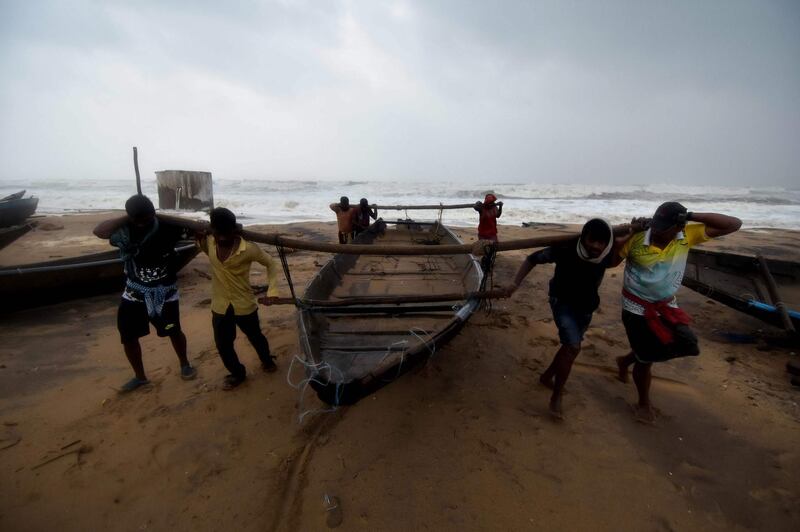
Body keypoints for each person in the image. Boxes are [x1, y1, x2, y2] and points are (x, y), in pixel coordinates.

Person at [615, 202, 741, 423]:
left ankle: (627, 360)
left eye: (665, 226)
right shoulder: (638, 237)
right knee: (646, 360)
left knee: (688, 344)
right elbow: (611, 262)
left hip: (666, 305)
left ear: (679, 227)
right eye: (656, 224)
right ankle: (643, 402)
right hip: (635, 306)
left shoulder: (688, 235)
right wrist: (628, 234)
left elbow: (733, 224)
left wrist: (690, 215)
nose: (657, 230)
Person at [506, 218, 628, 419]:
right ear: (583, 238)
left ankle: (546, 377)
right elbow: (532, 259)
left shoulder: (606, 253)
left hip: (587, 306)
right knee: (573, 346)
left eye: (601, 243)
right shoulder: (565, 248)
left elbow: (615, 260)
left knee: (570, 348)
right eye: (592, 241)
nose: (596, 247)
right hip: (561, 302)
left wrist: (629, 235)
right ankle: (556, 397)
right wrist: (515, 283)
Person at [93, 195, 197, 393]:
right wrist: (128, 218)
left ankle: (185, 364)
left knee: (173, 330)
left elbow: (200, 230)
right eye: (137, 219)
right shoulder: (124, 231)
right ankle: (140, 377)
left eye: (146, 218)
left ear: (153, 213)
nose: (141, 223)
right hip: (134, 292)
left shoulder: (168, 228)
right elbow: (99, 231)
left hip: (165, 292)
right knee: (128, 336)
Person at [198, 208, 281, 390]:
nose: (222, 239)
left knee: (256, 337)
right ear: (214, 231)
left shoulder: (249, 249)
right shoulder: (210, 242)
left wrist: (272, 291)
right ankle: (237, 373)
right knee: (223, 344)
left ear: (235, 230)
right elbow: (204, 248)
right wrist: (200, 236)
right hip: (220, 306)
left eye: (226, 234)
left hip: (244, 304)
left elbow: (271, 263)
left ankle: (267, 360)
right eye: (218, 234)